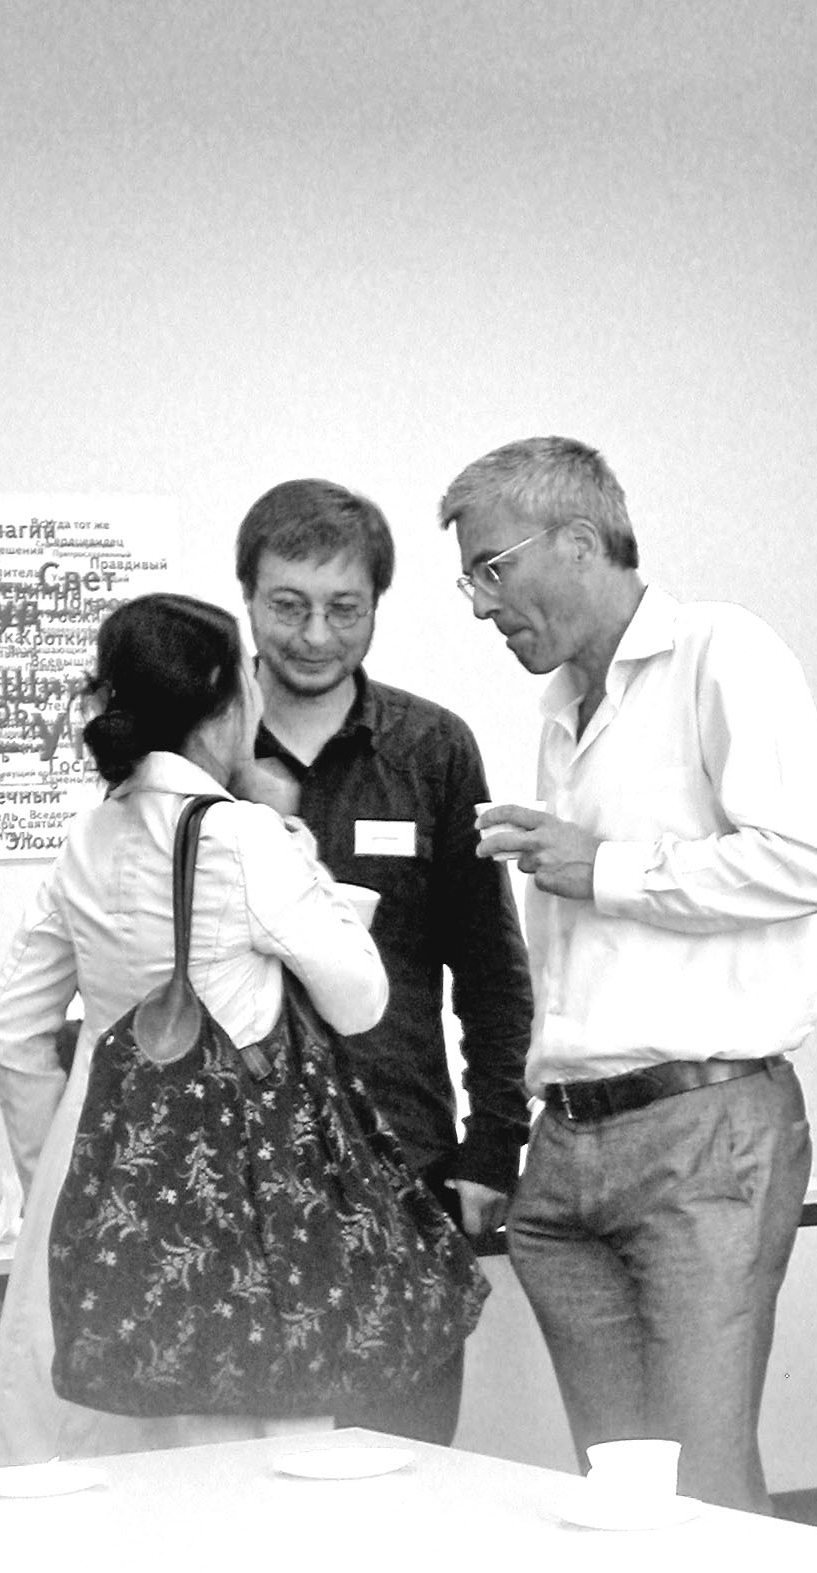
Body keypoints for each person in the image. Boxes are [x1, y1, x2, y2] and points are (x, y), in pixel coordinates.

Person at [439, 436, 817, 1512]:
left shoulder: (723, 651)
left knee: (701, 1491)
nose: (479, 603)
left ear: (580, 542)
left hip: (700, 1135)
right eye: (470, 578)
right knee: (623, 1496)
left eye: (492, 568)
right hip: (569, 1148)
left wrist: (606, 867)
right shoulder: (561, 712)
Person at [0, 593, 388, 1465]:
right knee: (234, 1460)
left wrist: (59, 1169)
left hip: (93, 1179)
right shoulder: (246, 837)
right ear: (222, 698)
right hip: (231, 1185)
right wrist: (301, 853)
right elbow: (360, 998)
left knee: (93, 1464)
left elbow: (9, 1030)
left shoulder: (87, 837)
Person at [235, 479, 534, 1444]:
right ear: (247, 597)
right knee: (237, 1478)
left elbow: (489, 966)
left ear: (377, 606)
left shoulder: (430, 749)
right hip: (230, 1170)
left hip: (398, 1160)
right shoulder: (197, 749)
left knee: (403, 1464)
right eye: (288, 605)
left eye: (344, 608)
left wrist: (493, 1144)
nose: (315, 635)